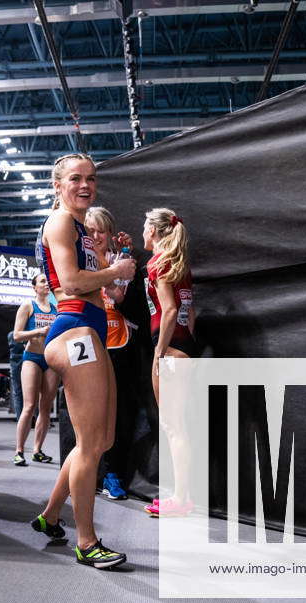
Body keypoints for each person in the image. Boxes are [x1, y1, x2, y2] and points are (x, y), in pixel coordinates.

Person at [30, 153, 136, 569]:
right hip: (73, 330)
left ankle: (51, 516)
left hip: (90, 330)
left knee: (101, 440)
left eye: (91, 178)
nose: (85, 185)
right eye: (75, 178)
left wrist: (111, 263)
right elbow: (72, 283)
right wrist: (115, 272)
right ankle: (87, 542)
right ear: (58, 185)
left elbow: (93, 283)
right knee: (91, 445)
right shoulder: (59, 222)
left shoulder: (80, 228)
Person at [142, 208, 196, 518]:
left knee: (174, 427)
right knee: (177, 425)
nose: (142, 233)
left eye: (144, 227)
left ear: (154, 231)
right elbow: (190, 312)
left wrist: (160, 352)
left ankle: (181, 499)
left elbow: (171, 310)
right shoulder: (179, 265)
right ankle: (180, 495)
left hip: (171, 349)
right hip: (184, 347)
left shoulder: (158, 263)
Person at [83, 206, 137, 502]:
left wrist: (122, 258)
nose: (95, 236)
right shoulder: (79, 263)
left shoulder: (121, 261)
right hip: (87, 343)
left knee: (116, 415)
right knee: (88, 415)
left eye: (100, 230)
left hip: (118, 345)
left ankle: (112, 473)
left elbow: (119, 296)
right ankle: (89, 471)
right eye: (89, 231)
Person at [12, 274, 59, 466]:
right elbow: (16, 335)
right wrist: (38, 332)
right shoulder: (28, 306)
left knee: (45, 407)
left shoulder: (57, 309)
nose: (46, 284)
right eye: (42, 281)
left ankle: (37, 450)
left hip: (50, 360)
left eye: (47, 281)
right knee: (29, 406)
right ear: (34, 287)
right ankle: (19, 451)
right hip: (31, 358)